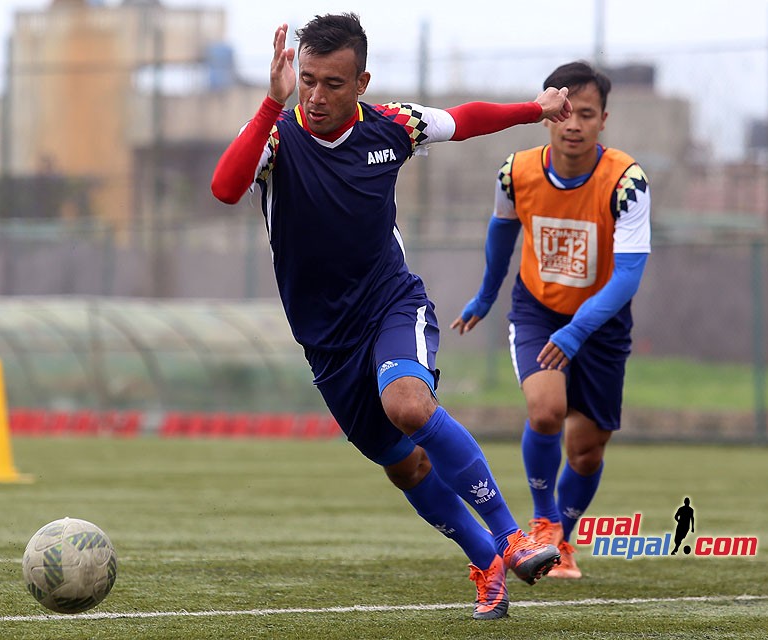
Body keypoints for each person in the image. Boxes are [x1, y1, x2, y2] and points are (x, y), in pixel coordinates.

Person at [211, 13, 571, 620]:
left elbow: (464, 120)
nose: (315, 95)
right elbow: (224, 188)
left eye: (331, 82)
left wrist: (534, 110)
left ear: (361, 82)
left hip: (390, 303)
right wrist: (271, 106)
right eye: (306, 80)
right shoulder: (277, 136)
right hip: (325, 341)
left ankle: (512, 536)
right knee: (406, 466)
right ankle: (484, 557)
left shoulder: (394, 125)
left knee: (406, 404)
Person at [451, 61, 651, 580]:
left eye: (587, 114)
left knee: (585, 452)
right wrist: (484, 296)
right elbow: (501, 236)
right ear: (547, 115)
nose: (574, 124)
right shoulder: (514, 172)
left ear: (603, 119)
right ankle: (542, 527)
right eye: (565, 112)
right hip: (536, 308)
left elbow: (628, 276)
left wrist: (579, 329)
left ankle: (564, 532)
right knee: (546, 411)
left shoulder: (627, 181)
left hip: (602, 320)